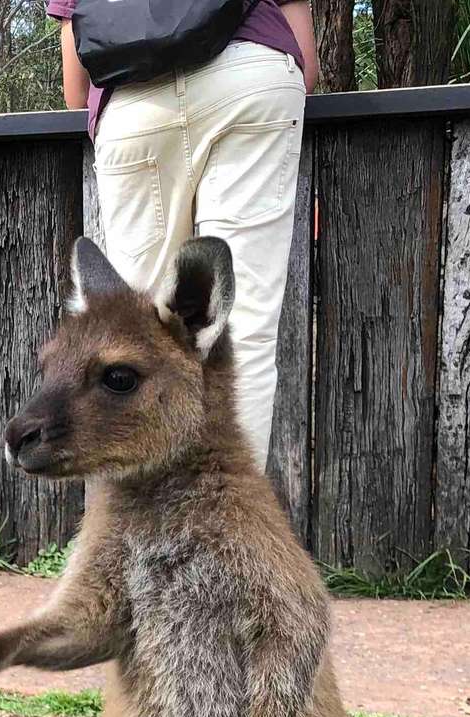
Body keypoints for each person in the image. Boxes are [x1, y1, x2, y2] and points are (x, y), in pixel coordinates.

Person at [53, 0, 318, 468]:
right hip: (251, 79)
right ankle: (230, 527)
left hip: (133, 100)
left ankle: (130, 535)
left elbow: (76, 88)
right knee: (244, 334)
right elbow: (307, 61)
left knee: (126, 340)